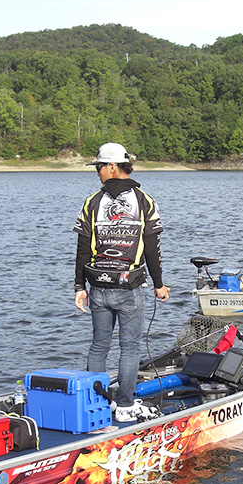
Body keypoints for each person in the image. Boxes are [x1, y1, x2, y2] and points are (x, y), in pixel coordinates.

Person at [73, 143, 170, 423]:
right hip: (129, 287)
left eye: (99, 167)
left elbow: (82, 248)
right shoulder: (145, 201)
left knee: (98, 346)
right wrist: (159, 284)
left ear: (112, 167)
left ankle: (94, 403)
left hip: (98, 287)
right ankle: (125, 405)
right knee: (130, 348)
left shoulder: (92, 202)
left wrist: (79, 287)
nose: (98, 173)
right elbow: (153, 247)